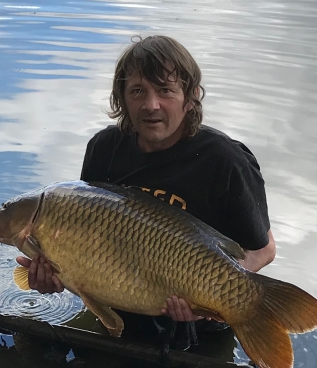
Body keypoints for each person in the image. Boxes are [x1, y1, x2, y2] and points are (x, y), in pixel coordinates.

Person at [18, 34, 275, 328]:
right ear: (122, 99)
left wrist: (210, 296)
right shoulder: (104, 148)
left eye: (165, 90)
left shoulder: (225, 160)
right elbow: (86, 241)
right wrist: (57, 276)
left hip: (199, 325)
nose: (151, 105)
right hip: (122, 305)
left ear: (190, 98)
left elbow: (264, 249)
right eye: (138, 91)